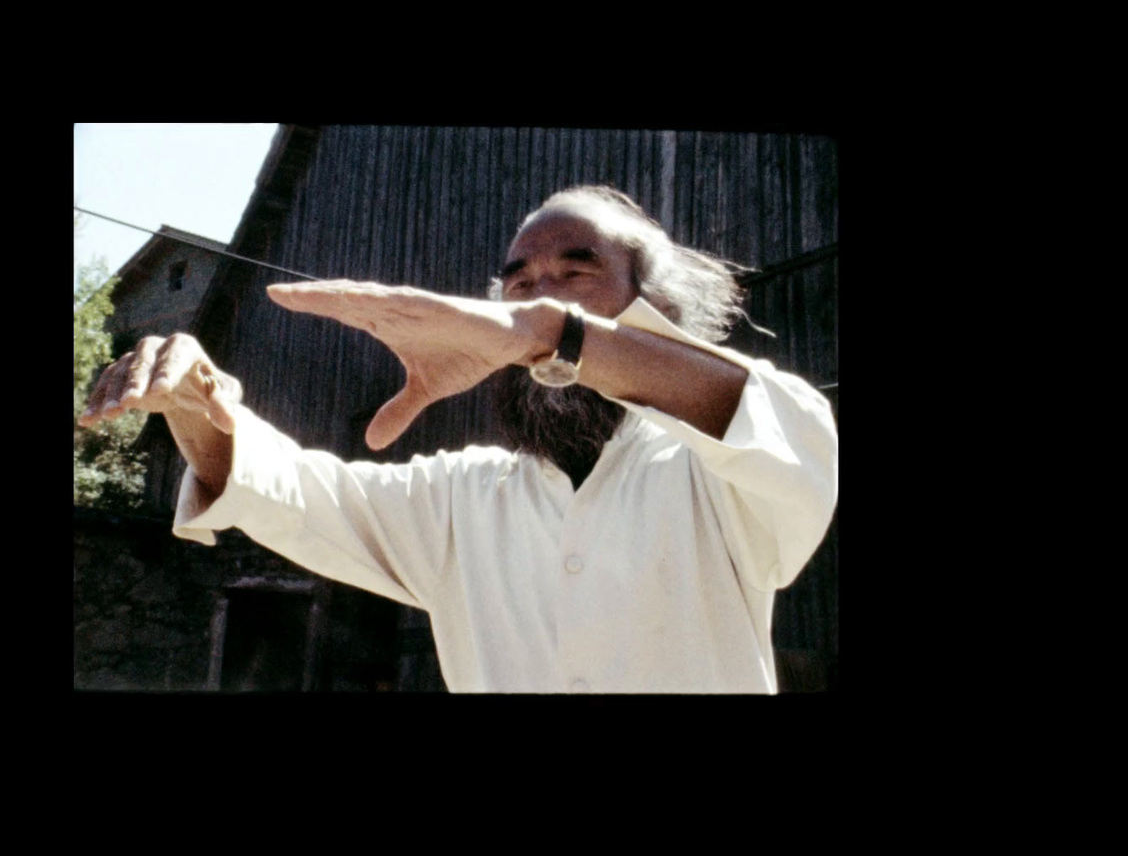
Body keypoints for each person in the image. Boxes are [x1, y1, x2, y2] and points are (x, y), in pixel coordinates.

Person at [79, 186, 838, 693]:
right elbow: (287, 491)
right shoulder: (463, 496)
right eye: (518, 283)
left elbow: (765, 413)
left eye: (578, 271)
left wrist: (548, 334)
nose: (538, 293)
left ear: (655, 308)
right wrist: (195, 404)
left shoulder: (723, 471)